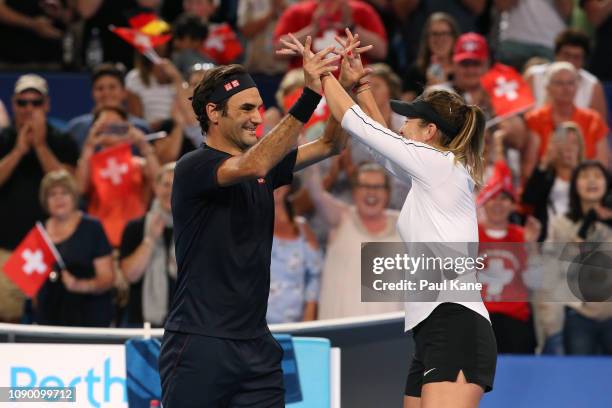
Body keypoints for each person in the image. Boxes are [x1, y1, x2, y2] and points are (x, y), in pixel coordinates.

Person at [282, 30, 496, 407]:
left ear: (429, 132)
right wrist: (361, 80)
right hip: (432, 329)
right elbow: (379, 143)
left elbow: (359, 126)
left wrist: (324, 74)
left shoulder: (439, 165)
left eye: (411, 120)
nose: (402, 122)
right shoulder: (432, 174)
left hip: (456, 324)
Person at [159, 48, 346, 406]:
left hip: (257, 349)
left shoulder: (262, 166)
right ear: (213, 113)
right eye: (246, 109)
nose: (257, 118)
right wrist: (308, 97)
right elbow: (256, 164)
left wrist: (339, 86)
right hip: (200, 344)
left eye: (259, 108)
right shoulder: (193, 167)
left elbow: (331, 143)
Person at [0, 74, 79, 323]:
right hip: (6, 246)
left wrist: (41, 147)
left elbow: (71, 186)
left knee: (49, 319)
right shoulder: (3, 139)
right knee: (6, 319)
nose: (29, 109)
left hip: (51, 248)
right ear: (13, 104)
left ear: (46, 105)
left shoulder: (62, 140)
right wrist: (20, 150)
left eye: (35, 102)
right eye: (23, 103)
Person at [306, 162, 403, 319]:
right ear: (354, 191)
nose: (371, 192)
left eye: (378, 187)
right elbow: (316, 194)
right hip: (341, 331)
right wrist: (302, 143)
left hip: (389, 333)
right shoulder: (341, 218)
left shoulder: (403, 224)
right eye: (364, 186)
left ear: (388, 193)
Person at [536, 161, 612, 355]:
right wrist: (588, 224)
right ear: (575, 185)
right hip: (579, 315)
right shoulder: (561, 225)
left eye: (597, 175)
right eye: (585, 176)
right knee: (579, 375)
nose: (591, 181)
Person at [36, 170, 115, 327]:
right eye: (52, 194)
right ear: (45, 201)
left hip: (88, 317)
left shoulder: (92, 227)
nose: (58, 198)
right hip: (49, 319)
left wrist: (80, 285)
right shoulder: (40, 231)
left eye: (64, 193)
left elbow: (108, 279)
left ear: (74, 197)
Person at [76, 106, 160, 247]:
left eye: (115, 125)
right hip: (101, 242)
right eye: (104, 125)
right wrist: (88, 147)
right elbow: (79, 189)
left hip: (135, 238)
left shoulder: (140, 163)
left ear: (126, 128)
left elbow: (161, 185)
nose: (110, 129)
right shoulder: (88, 164)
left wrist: (144, 146)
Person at [119, 163, 177, 327]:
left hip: (186, 324)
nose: (170, 191)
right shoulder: (135, 227)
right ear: (156, 188)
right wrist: (150, 240)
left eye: (176, 185)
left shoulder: (196, 228)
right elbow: (130, 275)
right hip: (142, 323)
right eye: (166, 185)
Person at [525, 62, 609, 166]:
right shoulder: (534, 119)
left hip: (583, 179)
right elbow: (528, 169)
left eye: (570, 83)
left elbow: (603, 167)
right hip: (546, 178)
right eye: (559, 83)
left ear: (577, 87)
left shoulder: (594, 120)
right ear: (547, 87)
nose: (566, 88)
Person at [524, 29, 609, 122]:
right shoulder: (534, 76)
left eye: (576, 57)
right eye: (566, 55)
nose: (570, 61)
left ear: (584, 61)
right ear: (556, 55)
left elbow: (598, 125)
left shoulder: (593, 85)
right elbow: (524, 117)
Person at [274, 0, 388, 69]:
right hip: (308, 87)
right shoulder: (298, 12)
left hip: (353, 88)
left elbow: (381, 51)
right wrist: (313, 28)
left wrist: (352, 26)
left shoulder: (361, 10)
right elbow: (278, 52)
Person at [267, 184, 322, 323]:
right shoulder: (246, 225)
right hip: (254, 326)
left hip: (295, 325)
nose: (273, 185)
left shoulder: (302, 228)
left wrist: (308, 320)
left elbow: (314, 277)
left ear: (287, 185)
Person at [521, 122, 585, 241]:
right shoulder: (545, 175)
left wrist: (577, 171)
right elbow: (528, 199)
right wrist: (545, 161)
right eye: (564, 142)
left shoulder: (585, 176)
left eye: (573, 143)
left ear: (580, 148)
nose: (568, 147)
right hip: (548, 243)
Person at [66, 63, 150, 149]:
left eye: (112, 87)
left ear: (124, 92)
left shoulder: (141, 128)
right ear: (92, 93)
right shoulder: (77, 127)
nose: (106, 93)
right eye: (100, 88)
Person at [403, 12, 460, 101]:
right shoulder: (416, 71)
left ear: (454, 37)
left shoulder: (464, 69)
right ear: (427, 39)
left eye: (445, 33)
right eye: (435, 34)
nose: (440, 39)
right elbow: (405, 106)